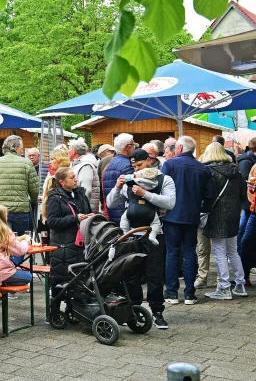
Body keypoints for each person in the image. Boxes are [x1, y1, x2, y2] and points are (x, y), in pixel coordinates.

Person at [106, 149, 175, 329]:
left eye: (140, 165)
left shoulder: (164, 179)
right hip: (131, 234)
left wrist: (145, 194)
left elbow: (170, 203)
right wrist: (117, 187)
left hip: (154, 233)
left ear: (149, 161)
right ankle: (134, 310)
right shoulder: (131, 180)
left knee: (155, 275)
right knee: (131, 274)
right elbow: (111, 203)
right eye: (134, 166)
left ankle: (157, 312)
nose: (137, 169)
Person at [161, 136, 215, 306]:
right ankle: (189, 294)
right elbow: (210, 195)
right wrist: (200, 208)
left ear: (179, 148)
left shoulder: (169, 165)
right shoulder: (203, 168)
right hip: (192, 216)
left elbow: (161, 188)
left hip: (171, 215)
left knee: (172, 253)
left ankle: (172, 292)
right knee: (190, 252)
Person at [199, 143, 248, 300]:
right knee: (233, 251)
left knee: (219, 251)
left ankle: (225, 287)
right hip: (233, 214)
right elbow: (243, 196)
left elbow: (207, 195)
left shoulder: (209, 171)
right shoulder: (236, 171)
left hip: (216, 215)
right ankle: (240, 284)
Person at [45, 167, 92, 318]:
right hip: (63, 246)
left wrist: (90, 216)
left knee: (78, 278)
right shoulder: (55, 198)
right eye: (72, 177)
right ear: (62, 182)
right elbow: (52, 222)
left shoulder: (80, 194)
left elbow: (86, 211)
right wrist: (75, 218)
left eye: (75, 176)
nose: (76, 179)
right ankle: (54, 312)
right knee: (60, 278)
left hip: (79, 243)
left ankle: (74, 310)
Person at [0, 135, 38, 264]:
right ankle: (15, 266)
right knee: (20, 242)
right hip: (21, 210)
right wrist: (33, 200)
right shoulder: (26, 163)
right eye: (21, 148)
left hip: (0, 211)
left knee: (1, 242)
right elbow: (34, 189)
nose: (22, 151)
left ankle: (5, 267)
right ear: (16, 148)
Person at [101, 133, 136, 225]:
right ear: (127, 147)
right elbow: (132, 191)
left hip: (112, 213)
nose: (135, 148)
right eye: (134, 145)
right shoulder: (128, 165)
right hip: (125, 214)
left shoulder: (109, 165)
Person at [68, 139, 101, 213]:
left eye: (69, 149)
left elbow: (86, 190)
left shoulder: (85, 166)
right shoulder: (77, 164)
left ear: (73, 151)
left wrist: (79, 209)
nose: (67, 152)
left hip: (85, 211)